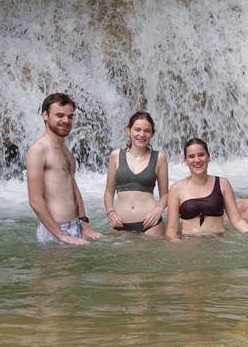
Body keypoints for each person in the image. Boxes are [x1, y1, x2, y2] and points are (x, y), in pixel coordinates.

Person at [26, 93, 103, 245]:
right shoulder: (38, 150)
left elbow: (73, 188)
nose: (66, 121)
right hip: (55, 232)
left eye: (70, 116)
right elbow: (35, 200)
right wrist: (61, 235)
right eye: (59, 115)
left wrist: (84, 224)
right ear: (45, 115)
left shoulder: (65, 150)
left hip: (75, 227)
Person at [166, 137, 248, 239]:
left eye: (201, 155)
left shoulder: (223, 183)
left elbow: (237, 220)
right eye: (191, 156)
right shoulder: (176, 189)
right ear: (186, 161)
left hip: (218, 242)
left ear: (208, 157)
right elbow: (171, 228)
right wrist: (176, 242)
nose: (197, 160)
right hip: (189, 243)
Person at [104, 111, 169, 236]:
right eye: (137, 129)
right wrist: (110, 212)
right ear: (129, 130)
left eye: (147, 131)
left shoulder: (159, 158)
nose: (141, 134)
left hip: (151, 224)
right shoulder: (116, 156)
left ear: (152, 134)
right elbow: (109, 192)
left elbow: (165, 194)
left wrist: (158, 210)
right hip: (120, 224)